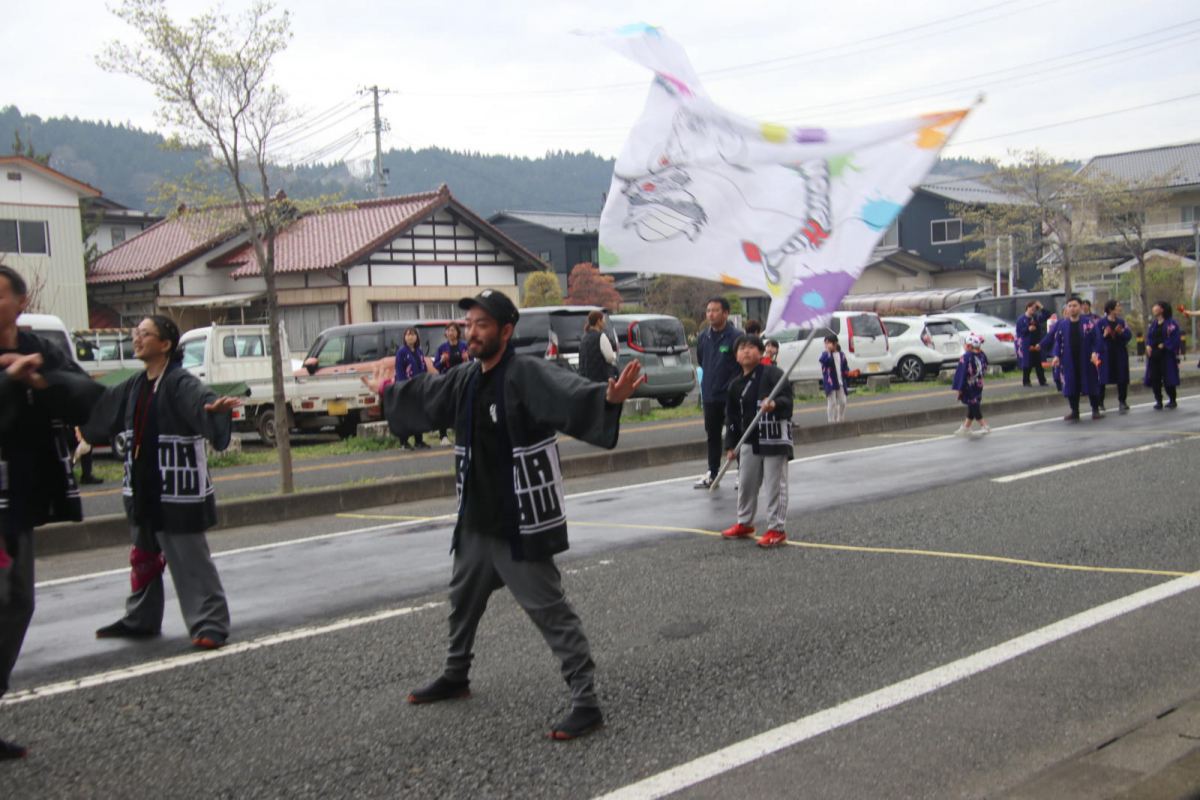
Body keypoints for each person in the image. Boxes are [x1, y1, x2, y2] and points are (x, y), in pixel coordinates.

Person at [366, 289, 645, 740]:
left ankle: (586, 700)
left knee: (550, 611)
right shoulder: (466, 378)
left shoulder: (526, 374)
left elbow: (570, 393)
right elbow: (425, 394)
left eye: (482, 325)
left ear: (506, 331)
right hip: (476, 520)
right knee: (461, 602)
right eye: (470, 325)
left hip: (519, 521)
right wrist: (386, 395)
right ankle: (456, 674)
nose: (472, 332)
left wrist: (607, 399)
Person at [87, 315, 242, 650]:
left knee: (188, 555)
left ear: (165, 344)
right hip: (142, 486)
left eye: (144, 333)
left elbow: (202, 399)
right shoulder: (135, 384)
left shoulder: (179, 381)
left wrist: (213, 410)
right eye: (136, 333)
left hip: (176, 488)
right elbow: (101, 407)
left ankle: (210, 622)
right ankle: (141, 617)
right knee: (143, 555)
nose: (137, 338)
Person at [0, 265, 103, 762]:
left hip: (17, 495)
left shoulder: (40, 345)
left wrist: (41, 381)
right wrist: (6, 380)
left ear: (20, 301)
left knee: (18, 601)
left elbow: (85, 397)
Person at [720, 335, 793, 548]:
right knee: (746, 484)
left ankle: (776, 529)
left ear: (761, 352)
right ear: (736, 356)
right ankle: (745, 523)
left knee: (774, 485)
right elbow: (731, 419)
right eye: (741, 348)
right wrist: (731, 446)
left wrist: (774, 405)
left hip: (774, 439)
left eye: (751, 347)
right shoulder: (735, 385)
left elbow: (788, 400)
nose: (746, 351)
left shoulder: (774, 375)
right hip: (748, 440)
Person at [695, 298, 743, 488]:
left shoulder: (736, 336)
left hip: (731, 395)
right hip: (710, 394)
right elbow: (701, 360)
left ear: (726, 313)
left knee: (737, 433)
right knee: (712, 434)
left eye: (715, 310)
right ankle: (712, 473)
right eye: (708, 311)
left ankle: (742, 473)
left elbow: (742, 365)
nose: (711, 314)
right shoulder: (703, 337)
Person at [1040, 296, 1103, 421]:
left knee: (1091, 383)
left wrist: (1095, 352)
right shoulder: (1063, 325)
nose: (1072, 308)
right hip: (1069, 359)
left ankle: (1095, 408)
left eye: (1075, 306)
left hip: (1086, 358)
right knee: (1071, 384)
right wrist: (1056, 356)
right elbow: (1058, 342)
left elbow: (1097, 340)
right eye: (1070, 306)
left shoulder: (1088, 323)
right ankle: (1074, 410)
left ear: (1080, 307)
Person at [434, 322, 470, 446]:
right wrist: (442, 361)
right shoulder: (442, 348)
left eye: (453, 330)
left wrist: (466, 359)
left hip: (461, 379)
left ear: (458, 333)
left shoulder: (464, 346)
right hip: (447, 380)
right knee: (445, 407)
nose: (451, 333)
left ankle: (461, 434)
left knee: (461, 407)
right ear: (446, 333)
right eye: (448, 331)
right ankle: (443, 436)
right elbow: (436, 366)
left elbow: (473, 363)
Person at [394, 327, 430, 449]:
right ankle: (403, 441)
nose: (411, 337)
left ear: (417, 337)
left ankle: (419, 440)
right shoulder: (402, 351)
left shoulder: (419, 351)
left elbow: (423, 368)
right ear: (404, 337)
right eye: (408, 335)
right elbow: (399, 370)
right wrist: (403, 386)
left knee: (418, 414)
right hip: (407, 387)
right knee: (407, 415)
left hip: (419, 387)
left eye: (413, 335)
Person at [1096, 300, 1132, 414]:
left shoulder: (1121, 322)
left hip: (1119, 352)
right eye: (1117, 306)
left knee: (1122, 377)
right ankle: (1100, 402)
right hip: (1105, 353)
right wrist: (1104, 335)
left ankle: (1122, 401)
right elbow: (1096, 338)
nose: (1119, 308)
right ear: (1110, 309)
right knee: (1102, 377)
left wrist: (1121, 332)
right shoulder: (1101, 323)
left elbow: (1129, 335)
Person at [1144, 301, 1181, 410]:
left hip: (1166, 355)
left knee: (1168, 377)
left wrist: (1164, 345)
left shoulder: (1171, 323)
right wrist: (1148, 345)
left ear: (1162, 309)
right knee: (1155, 378)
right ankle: (1158, 400)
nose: (1154, 308)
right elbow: (1149, 337)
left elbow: (1175, 338)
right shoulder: (1154, 324)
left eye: (1156, 306)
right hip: (1154, 355)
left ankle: (1172, 399)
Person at [952, 332, 990, 436]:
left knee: (973, 404)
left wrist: (959, 387)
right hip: (979, 383)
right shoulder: (982, 355)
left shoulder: (966, 357)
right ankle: (966, 427)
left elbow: (961, 373)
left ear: (968, 345)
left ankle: (984, 425)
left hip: (969, 384)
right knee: (972, 404)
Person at [578, 310, 617, 384]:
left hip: (586, 378)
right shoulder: (601, 336)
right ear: (598, 321)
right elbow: (610, 357)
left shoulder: (584, 337)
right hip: (600, 377)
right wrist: (614, 356)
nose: (605, 322)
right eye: (603, 319)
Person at [819, 334, 851, 423]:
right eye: (825, 343)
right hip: (830, 381)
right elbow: (823, 361)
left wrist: (849, 373)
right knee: (832, 402)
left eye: (829, 343)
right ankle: (831, 420)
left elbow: (845, 367)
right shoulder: (825, 354)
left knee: (843, 401)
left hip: (840, 381)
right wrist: (828, 351)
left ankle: (840, 418)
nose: (827, 345)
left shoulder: (841, 355)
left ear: (835, 343)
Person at [1016, 300, 1047, 387]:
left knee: (1038, 363)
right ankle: (1026, 381)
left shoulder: (1036, 317)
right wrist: (1027, 329)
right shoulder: (1021, 319)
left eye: (1035, 308)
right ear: (1027, 307)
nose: (1033, 309)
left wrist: (1041, 307)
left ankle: (1042, 381)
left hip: (1036, 342)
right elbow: (1019, 331)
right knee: (1027, 363)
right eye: (1031, 307)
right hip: (1027, 343)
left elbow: (1046, 316)